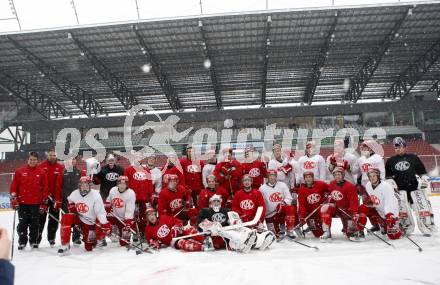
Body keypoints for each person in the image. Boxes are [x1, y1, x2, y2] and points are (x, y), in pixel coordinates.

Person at [385, 137, 436, 235]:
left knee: (422, 208)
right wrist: (390, 183)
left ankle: (427, 226)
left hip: (414, 188)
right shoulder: (390, 161)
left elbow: (422, 172)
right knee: (403, 211)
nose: (398, 149)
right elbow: (388, 177)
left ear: (404, 147)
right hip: (400, 190)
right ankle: (406, 227)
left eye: (399, 147)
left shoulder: (413, 157)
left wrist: (424, 178)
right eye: (396, 148)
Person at [198, 194, 274, 252]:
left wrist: (236, 221)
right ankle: (243, 245)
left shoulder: (225, 210)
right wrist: (211, 226)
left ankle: (260, 241)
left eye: (218, 201)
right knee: (226, 233)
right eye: (214, 201)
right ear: (210, 202)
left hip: (228, 230)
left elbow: (231, 220)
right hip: (217, 236)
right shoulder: (205, 211)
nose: (216, 203)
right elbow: (200, 223)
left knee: (242, 228)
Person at [58, 176, 112, 254]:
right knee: (66, 217)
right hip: (79, 218)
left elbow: (100, 212)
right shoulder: (75, 193)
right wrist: (71, 206)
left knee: (88, 247)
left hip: (90, 222)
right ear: (79, 186)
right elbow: (70, 200)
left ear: (90, 186)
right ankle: (65, 245)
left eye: (86, 185)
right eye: (82, 185)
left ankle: (99, 238)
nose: (84, 187)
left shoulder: (95, 195)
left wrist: (105, 224)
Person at [9, 151, 48, 250]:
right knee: (23, 224)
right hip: (22, 204)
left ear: (37, 161)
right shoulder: (20, 171)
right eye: (31, 159)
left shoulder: (41, 172)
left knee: (35, 224)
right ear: (28, 160)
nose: (32, 161)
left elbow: (45, 189)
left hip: (36, 204)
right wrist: (14, 200)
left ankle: (33, 241)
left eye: (34, 160)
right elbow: (14, 187)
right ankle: (22, 242)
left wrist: (43, 203)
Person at [358, 168, 402, 240]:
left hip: (390, 212)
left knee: (394, 236)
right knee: (362, 208)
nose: (372, 178)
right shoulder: (368, 185)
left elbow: (389, 202)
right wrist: (369, 202)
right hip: (378, 209)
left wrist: (389, 215)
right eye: (370, 176)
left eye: (374, 176)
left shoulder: (386, 186)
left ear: (378, 176)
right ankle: (360, 231)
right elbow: (373, 197)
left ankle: (397, 226)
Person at [322, 167, 363, 241]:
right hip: (337, 208)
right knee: (325, 209)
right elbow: (330, 195)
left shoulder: (350, 186)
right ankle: (326, 231)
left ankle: (351, 230)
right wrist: (329, 200)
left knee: (349, 234)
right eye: (335, 175)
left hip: (347, 210)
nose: (337, 176)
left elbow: (353, 201)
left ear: (343, 175)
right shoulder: (332, 184)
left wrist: (353, 213)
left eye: (339, 174)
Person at [144, 207, 211, 252]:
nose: (151, 217)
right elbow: (151, 240)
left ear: (156, 214)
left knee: (190, 229)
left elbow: (177, 221)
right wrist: (155, 243)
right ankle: (202, 247)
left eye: (152, 214)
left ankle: (205, 240)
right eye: (149, 216)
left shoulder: (163, 218)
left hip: (179, 232)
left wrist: (177, 226)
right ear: (147, 218)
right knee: (182, 243)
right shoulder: (148, 229)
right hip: (172, 241)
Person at [259, 170, 297, 239]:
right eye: (270, 176)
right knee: (275, 236)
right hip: (270, 214)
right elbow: (262, 203)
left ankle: (289, 229)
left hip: (281, 210)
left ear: (276, 177)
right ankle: (279, 228)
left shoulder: (282, 185)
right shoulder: (262, 188)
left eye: (273, 176)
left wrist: (283, 203)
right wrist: (263, 216)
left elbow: (289, 198)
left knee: (291, 208)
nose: (272, 178)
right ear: (267, 177)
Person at [38, 148, 64, 246]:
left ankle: (51, 238)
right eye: (50, 155)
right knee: (41, 219)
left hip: (55, 198)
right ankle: (37, 239)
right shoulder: (41, 166)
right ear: (47, 155)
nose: (52, 157)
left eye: (54, 155)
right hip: (43, 198)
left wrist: (58, 199)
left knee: (54, 220)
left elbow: (60, 184)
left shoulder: (60, 167)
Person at [124, 161, 154, 236]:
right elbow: (126, 184)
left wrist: (150, 195)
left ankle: (145, 233)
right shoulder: (128, 170)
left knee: (145, 217)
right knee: (134, 218)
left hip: (144, 199)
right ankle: (135, 235)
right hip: (133, 199)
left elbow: (149, 183)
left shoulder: (146, 170)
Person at [105, 176, 136, 246]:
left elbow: (130, 210)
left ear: (127, 185)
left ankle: (121, 232)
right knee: (101, 221)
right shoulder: (113, 190)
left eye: (124, 184)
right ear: (117, 184)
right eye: (120, 184)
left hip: (124, 219)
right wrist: (107, 207)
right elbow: (108, 200)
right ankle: (104, 237)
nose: (122, 186)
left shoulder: (130, 193)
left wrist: (128, 222)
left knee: (124, 243)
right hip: (114, 215)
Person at [297, 171, 329, 238]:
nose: (308, 179)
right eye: (306, 177)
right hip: (311, 213)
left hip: (321, 211)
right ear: (304, 179)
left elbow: (330, 189)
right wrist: (302, 216)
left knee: (323, 227)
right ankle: (310, 227)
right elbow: (302, 204)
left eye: (310, 177)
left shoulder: (320, 184)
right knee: (318, 234)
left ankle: (327, 230)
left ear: (313, 178)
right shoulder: (302, 190)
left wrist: (328, 195)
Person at [61, 156, 82, 244]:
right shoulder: (62, 172)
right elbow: (59, 186)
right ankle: (65, 239)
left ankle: (76, 238)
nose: (72, 161)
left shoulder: (79, 172)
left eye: (74, 159)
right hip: (65, 201)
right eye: (70, 159)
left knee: (77, 219)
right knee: (67, 221)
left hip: (77, 201)